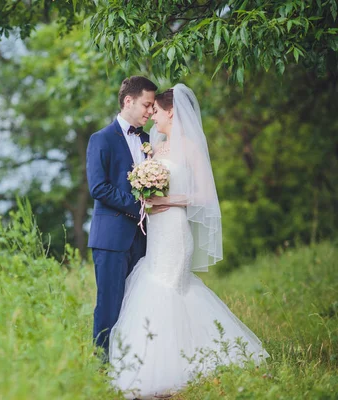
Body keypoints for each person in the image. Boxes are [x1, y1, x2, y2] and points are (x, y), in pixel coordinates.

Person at [108, 84, 269, 399]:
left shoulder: (191, 147)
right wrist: (147, 198)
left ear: (171, 111)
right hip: (155, 230)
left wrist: (172, 200)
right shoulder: (154, 148)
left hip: (175, 232)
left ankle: (178, 366)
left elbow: (205, 196)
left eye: (156, 112)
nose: (152, 117)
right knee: (154, 284)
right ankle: (153, 362)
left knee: (169, 287)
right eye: (150, 111)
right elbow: (148, 192)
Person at [86, 76, 169, 361]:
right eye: (146, 105)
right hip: (110, 239)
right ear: (128, 101)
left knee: (139, 304)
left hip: (145, 239)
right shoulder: (101, 139)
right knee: (109, 305)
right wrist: (140, 207)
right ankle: (103, 367)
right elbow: (98, 187)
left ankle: (134, 366)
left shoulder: (149, 141)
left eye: (152, 107)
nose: (149, 111)